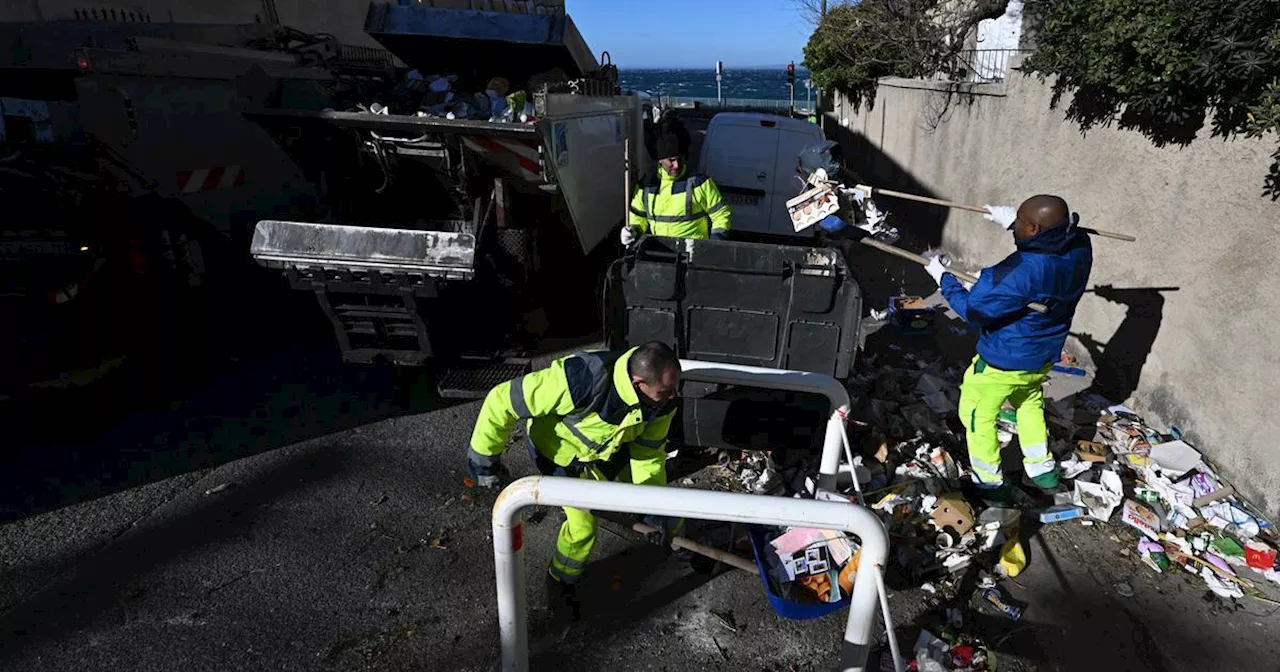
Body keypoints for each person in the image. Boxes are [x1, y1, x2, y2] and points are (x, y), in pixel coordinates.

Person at [466, 341, 684, 613]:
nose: (673, 397)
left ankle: (683, 544)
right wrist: (484, 461)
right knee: (582, 528)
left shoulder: (661, 402)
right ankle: (560, 582)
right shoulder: (581, 378)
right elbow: (501, 401)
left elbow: (648, 456)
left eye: (675, 389)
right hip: (558, 457)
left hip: (604, 451)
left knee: (662, 498)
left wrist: (652, 507)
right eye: (665, 392)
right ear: (638, 383)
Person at [922, 195, 1093, 501]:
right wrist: (1012, 222)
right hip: (1042, 355)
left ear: (1034, 229)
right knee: (1028, 402)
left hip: (1003, 361)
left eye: (1020, 224)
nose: (1015, 229)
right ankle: (1042, 469)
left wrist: (944, 279)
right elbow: (1066, 236)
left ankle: (989, 483)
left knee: (977, 415)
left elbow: (973, 311)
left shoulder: (1017, 273)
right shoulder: (1080, 249)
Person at [621, 126, 731, 244]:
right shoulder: (646, 187)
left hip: (693, 255)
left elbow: (721, 214)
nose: (677, 165)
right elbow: (639, 218)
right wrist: (633, 231)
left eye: (680, 159)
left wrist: (715, 243)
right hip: (661, 253)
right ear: (660, 160)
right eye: (671, 160)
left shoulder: (700, 184)